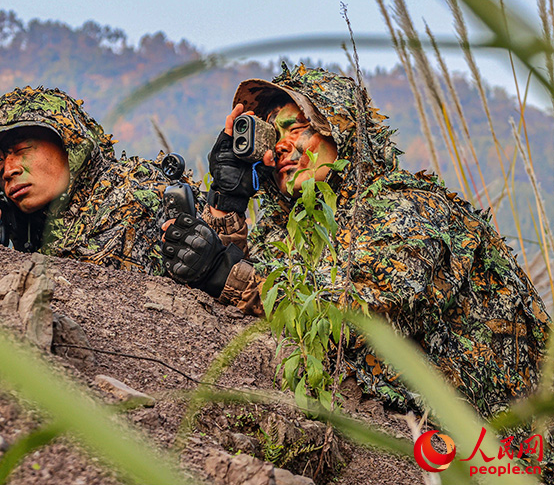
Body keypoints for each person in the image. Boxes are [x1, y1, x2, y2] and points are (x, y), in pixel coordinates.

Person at [162, 63, 550, 416]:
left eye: (296, 129)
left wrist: (222, 272)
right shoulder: (295, 227)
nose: (280, 147)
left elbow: (346, 319)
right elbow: (245, 285)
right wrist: (228, 200)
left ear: (343, 133)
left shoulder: (410, 210)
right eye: (271, 136)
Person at [0, 84, 192, 274]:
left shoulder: (132, 197)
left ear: (70, 145)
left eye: (20, 150)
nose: (8, 171)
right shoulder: (35, 220)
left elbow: (88, 287)